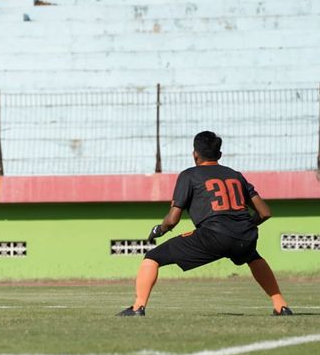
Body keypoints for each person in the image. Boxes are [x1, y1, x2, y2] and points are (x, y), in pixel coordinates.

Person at [117, 131, 293, 317]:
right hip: (245, 236)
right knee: (253, 257)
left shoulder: (189, 175)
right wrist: (245, 225)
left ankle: (138, 307)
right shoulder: (235, 175)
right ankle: (281, 305)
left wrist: (159, 230)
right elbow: (265, 212)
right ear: (219, 154)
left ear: (195, 154)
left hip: (213, 236)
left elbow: (172, 219)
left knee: (153, 257)